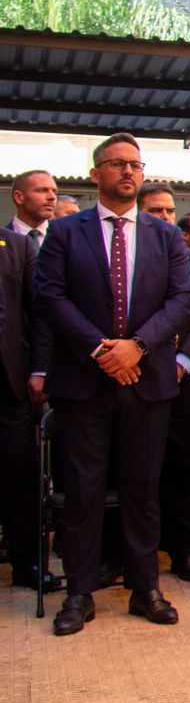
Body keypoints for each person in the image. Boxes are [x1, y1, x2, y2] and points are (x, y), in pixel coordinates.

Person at [35, 133, 190, 635]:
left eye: (135, 164)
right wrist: (103, 350)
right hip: (83, 383)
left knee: (142, 489)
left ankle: (144, 587)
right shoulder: (66, 232)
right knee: (82, 491)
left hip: (146, 384)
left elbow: (182, 299)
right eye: (117, 164)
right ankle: (79, 592)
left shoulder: (165, 235)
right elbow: (50, 296)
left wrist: (138, 347)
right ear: (95, 173)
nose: (128, 172)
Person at [138, 182, 190, 583]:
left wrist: (182, 360)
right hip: (135, 379)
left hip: (188, 384)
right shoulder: (130, 261)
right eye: (156, 211)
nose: (165, 218)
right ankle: (136, 554)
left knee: (183, 471)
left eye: (170, 211)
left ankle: (185, 550)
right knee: (136, 472)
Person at [0, 221, 49, 589]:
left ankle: (27, 562)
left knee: (20, 476)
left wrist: (40, 368)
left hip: (11, 385)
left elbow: (38, 312)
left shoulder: (17, 247)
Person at [10, 170, 57, 245]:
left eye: (54, 192)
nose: (52, 197)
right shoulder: (4, 238)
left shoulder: (66, 237)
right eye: (42, 191)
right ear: (19, 197)